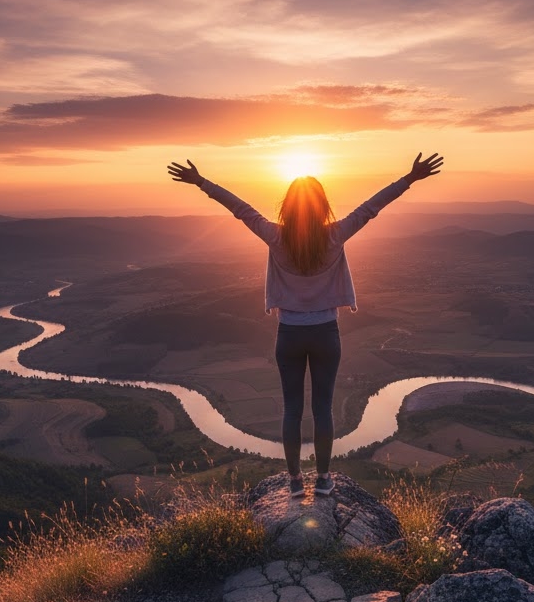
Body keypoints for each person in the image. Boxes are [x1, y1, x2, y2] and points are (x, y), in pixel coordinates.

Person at [167, 152, 444, 497]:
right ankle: (325, 478)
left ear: (289, 208)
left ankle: (296, 481)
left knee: (292, 408)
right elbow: (370, 208)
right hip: (326, 333)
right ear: (321, 206)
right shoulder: (334, 235)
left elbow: (241, 209)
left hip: (289, 335)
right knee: (323, 407)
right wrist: (409, 178)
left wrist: (201, 182)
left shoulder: (276, 236)